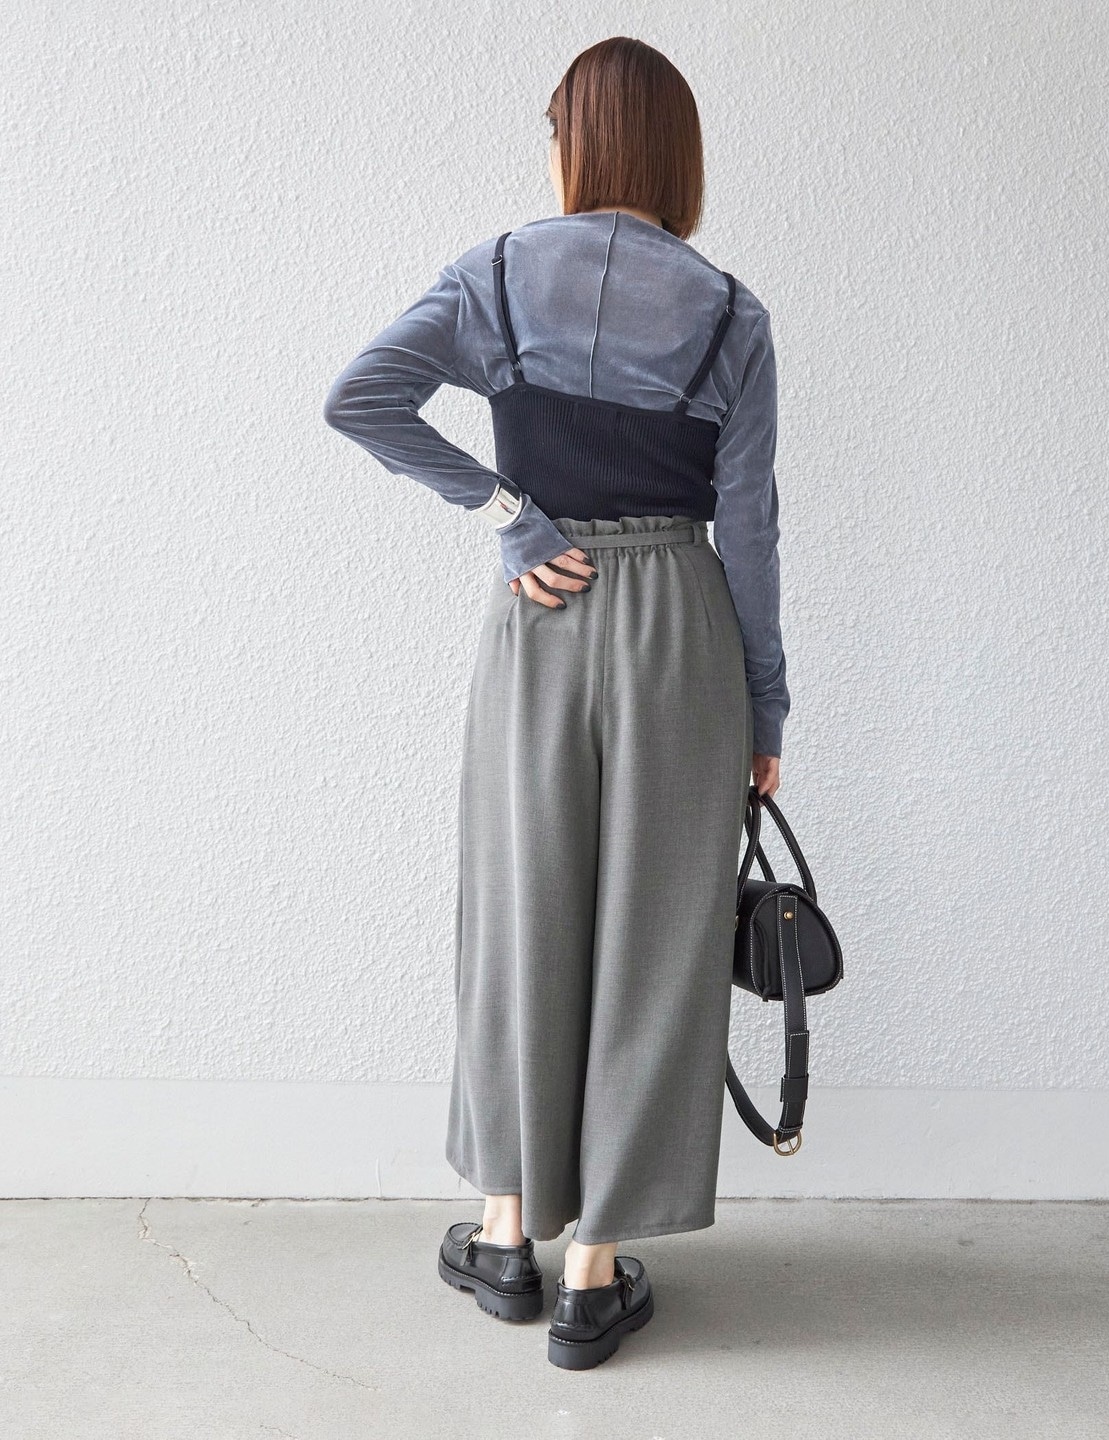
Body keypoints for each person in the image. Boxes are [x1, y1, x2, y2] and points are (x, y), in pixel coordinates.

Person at [323, 35, 789, 1370]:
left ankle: (506, 1234)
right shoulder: (730, 314)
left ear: (575, 144)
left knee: (519, 910)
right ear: (678, 155)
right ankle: (595, 1274)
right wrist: (765, 709)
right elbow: (751, 526)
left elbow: (362, 397)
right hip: (682, 627)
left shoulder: (498, 275)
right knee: (657, 934)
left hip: (544, 617)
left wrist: (508, 514)